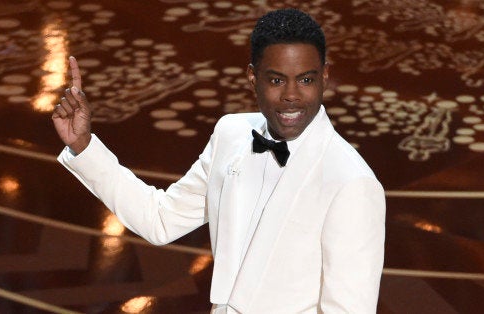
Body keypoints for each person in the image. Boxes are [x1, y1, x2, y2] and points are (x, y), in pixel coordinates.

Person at [52, 8, 385, 313]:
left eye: (306, 79)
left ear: (325, 76)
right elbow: (161, 219)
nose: (292, 95)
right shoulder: (231, 134)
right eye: (276, 79)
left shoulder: (352, 183)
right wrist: (83, 145)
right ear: (252, 78)